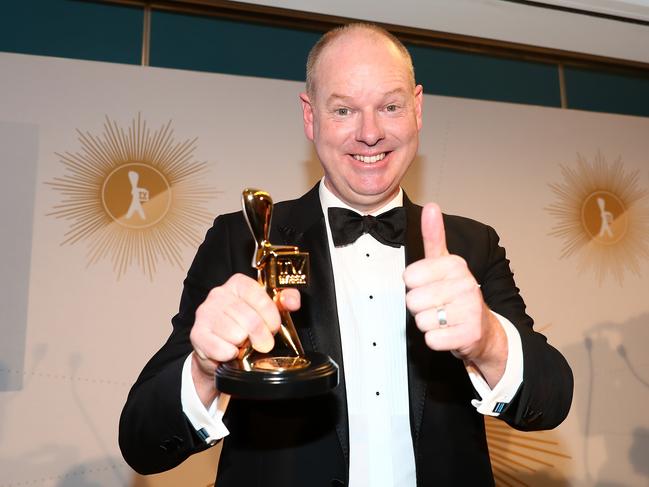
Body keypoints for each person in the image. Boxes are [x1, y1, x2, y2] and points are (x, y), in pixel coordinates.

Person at [119, 23, 573, 486]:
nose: (370, 133)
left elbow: (550, 402)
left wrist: (489, 343)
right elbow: (141, 441)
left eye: (390, 106)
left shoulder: (472, 246)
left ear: (417, 110)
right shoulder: (242, 240)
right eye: (344, 110)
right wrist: (204, 368)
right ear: (310, 116)